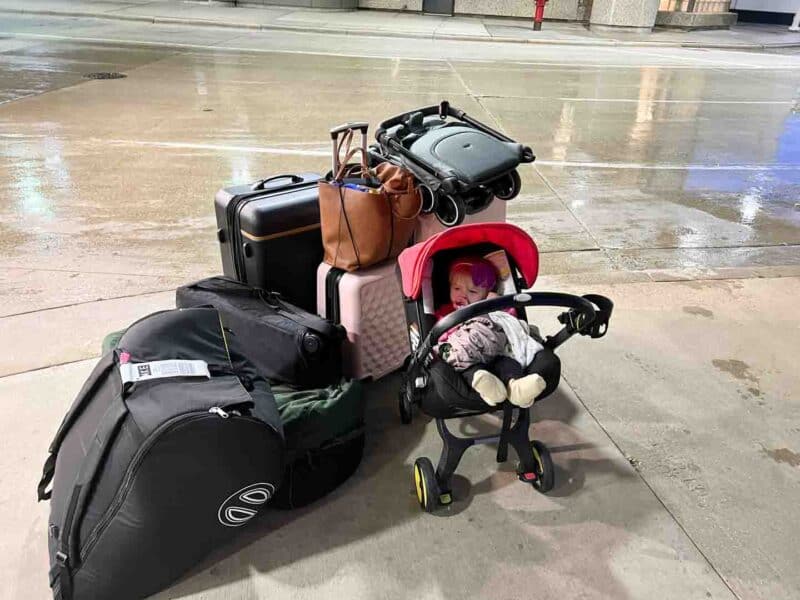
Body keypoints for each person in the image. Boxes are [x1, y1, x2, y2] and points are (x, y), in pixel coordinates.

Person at [434, 257, 547, 408]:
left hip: (497, 352)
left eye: (473, 291)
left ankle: (515, 387)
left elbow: (509, 324)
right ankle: (488, 388)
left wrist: (495, 305)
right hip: (469, 357)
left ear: (487, 294)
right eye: (456, 289)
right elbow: (440, 336)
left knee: (508, 364)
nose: (462, 295)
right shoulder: (445, 313)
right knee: (470, 370)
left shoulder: (492, 307)